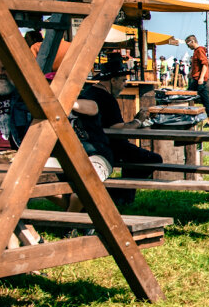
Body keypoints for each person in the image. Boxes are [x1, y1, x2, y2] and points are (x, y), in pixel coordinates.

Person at [71, 59, 165, 204]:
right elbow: (119, 129)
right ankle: (120, 194)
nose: (124, 84)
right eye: (122, 80)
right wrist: (138, 121)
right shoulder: (106, 99)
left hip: (92, 144)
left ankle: (123, 194)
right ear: (113, 80)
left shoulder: (89, 92)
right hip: (107, 146)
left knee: (137, 157)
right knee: (152, 159)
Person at [185, 34, 209, 124]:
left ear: (192, 41)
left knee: (203, 99)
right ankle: (191, 116)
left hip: (199, 80)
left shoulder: (200, 50)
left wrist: (201, 78)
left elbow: (205, 64)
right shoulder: (196, 51)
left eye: (188, 44)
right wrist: (190, 73)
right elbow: (198, 65)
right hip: (196, 79)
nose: (188, 46)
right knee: (187, 96)